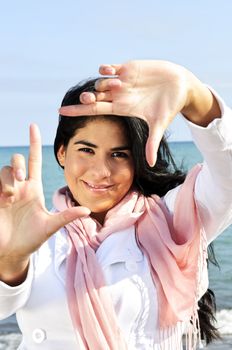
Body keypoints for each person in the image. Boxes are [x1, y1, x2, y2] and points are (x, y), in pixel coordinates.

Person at [0, 60, 231, 350]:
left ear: (137, 159)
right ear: (61, 153)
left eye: (119, 154)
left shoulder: (173, 220)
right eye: (86, 150)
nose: (101, 171)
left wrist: (194, 95)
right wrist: (10, 258)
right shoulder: (35, 233)